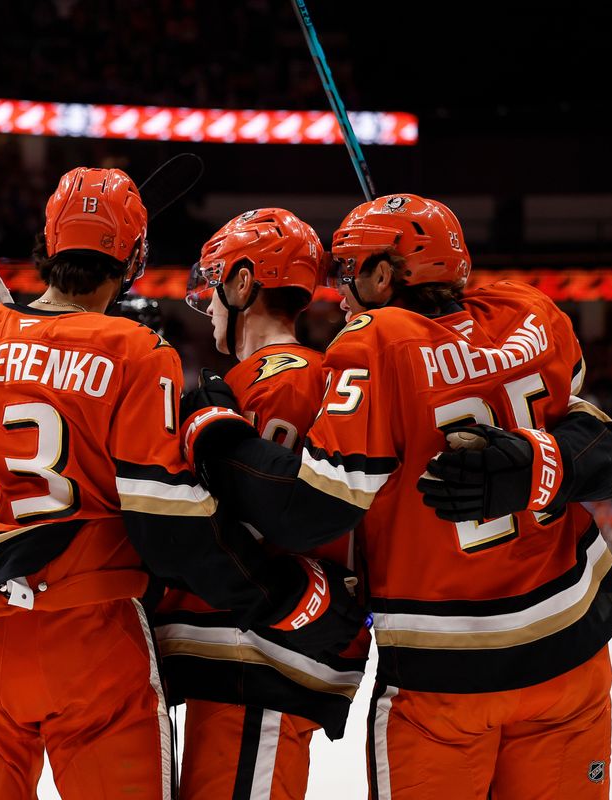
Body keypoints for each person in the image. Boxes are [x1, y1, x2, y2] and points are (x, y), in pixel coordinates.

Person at [0, 167, 364, 800]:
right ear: (134, 261)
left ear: (48, 244)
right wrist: (282, 595)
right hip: (94, 639)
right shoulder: (135, 349)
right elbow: (169, 529)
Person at [179, 194, 612, 799]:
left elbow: (310, 510)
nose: (338, 294)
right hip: (572, 649)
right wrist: (537, 463)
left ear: (382, 276)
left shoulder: (374, 339)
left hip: (444, 672)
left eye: (348, 271)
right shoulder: (526, 310)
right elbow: (604, 445)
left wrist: (216, 432)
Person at [160, 207, 371, 800]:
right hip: (266, 652)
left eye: (214, 283)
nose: (208, 304)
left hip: (257, 653)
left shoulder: (267, 382)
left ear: (243, 283)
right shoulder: (325, 374)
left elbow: (242, 519)